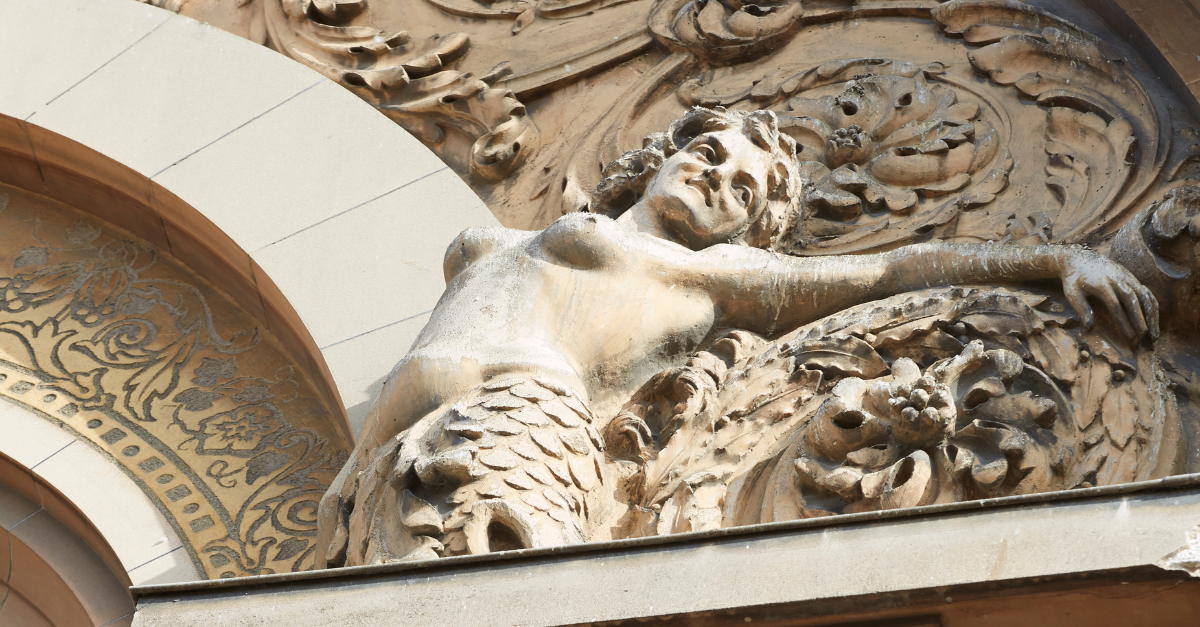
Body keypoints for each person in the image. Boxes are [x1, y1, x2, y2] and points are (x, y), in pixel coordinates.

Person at [316, 107, 1157, 566]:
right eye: (712, 152)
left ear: (747, 232)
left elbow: (888, 270)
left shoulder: (711, 275)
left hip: (521, 440)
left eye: (746, 190)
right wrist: (354, 469)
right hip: (395, 443)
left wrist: (1054, 258)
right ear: (660, 157)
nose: (720, 174)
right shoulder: (496, 241)